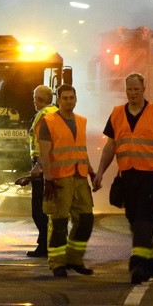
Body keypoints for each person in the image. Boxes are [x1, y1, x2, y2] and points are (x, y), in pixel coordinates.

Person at [95, 72, 153, 285]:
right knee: (134, 220)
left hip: (150, 176)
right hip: (128, 177)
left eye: (136, 89)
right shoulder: (117, 114)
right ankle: (150, 261)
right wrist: (99, 172)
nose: (132, 93)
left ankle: (138, 264)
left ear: (144, 89)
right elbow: (110, 146)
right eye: (129, 89)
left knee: (145, 218)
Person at [37, 84, 97, 277]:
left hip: (79, 177)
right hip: (59, 179)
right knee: (59, 223)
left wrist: (92, 172)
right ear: (58, 100)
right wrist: (48, 179)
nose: (69, 101)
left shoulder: (81, 121)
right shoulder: (48, 121)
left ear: (76, 99)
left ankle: (74, 259)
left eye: (72, 98)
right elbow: (44, 154)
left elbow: (82, 150)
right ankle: (57, 264)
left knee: (86, 219)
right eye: (65, 98)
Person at [15, 85, 57, 258]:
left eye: (34, 98)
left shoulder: (44, 117)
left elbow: (43, 144)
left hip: (43, 165)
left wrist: (38, 166)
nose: (33, 101)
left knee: (39, 209)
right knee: (49, 208)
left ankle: (45, 246)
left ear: (40, 100)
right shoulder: (55, 112)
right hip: (52, 165)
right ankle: (47, 243)